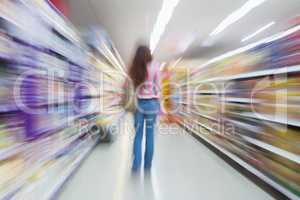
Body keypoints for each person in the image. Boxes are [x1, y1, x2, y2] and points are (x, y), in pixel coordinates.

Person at [128, 45, 160, 171]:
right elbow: (159, 87)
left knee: (138, 135)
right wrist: (158, 103)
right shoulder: (155, 66)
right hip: (152, 104)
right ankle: (148, 166)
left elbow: (130, 87)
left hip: (138, 104)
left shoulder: (133, 67)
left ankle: (136, 165)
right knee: (150, 135)